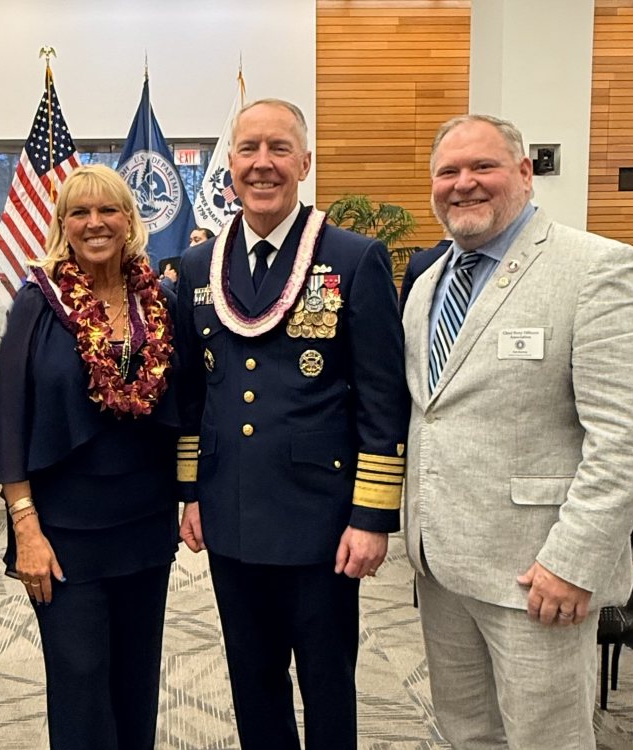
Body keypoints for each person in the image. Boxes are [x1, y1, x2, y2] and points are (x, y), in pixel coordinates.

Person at [400, 114, 633, 749]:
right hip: (442, 566)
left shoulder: (597, 269)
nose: (463, 183)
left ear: (524, 173)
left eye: (483, 167)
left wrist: (572, 562)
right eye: (448, 172)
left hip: (538, 574)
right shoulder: (428, 283)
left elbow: (630, 436)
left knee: (547, 741)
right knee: (468, 734)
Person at [176, 99, 409, 750]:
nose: (262, 164)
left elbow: (382, 398)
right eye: (247, 149)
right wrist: (192, 492)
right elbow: (193, 394)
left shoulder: (353, 257)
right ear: (229, 167)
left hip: (323, 520)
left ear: (304, 162)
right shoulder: (198, 268)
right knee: (252, 682)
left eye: (279, 149)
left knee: (328, 684)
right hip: (230, 513)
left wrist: (371, 515)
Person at [0, 164, 180, 750]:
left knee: (137, 678)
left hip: (144, 528)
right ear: (62, 225)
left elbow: (184, 406)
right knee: (80, 678)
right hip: (62, 531)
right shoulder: (37, 303)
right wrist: (26, 528)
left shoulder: (159, 301)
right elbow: (8, 417)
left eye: (108, 210)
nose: (95, 223)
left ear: (129, 219)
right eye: (79, 212)